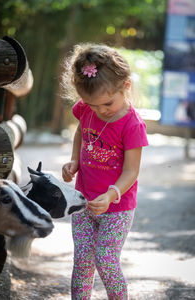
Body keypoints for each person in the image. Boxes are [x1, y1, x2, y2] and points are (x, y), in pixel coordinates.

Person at [62, 43, 148, 300]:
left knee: (106, 260)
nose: (99, 111)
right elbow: (81, 130)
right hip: (84, 201)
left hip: (117, 209)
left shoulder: (132, 125)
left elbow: (132, 171)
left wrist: (111, 195)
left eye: (106, 103)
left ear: (126, 86)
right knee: (82, 261)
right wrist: (74, 161)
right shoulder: (88, 108)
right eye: (92, 105)